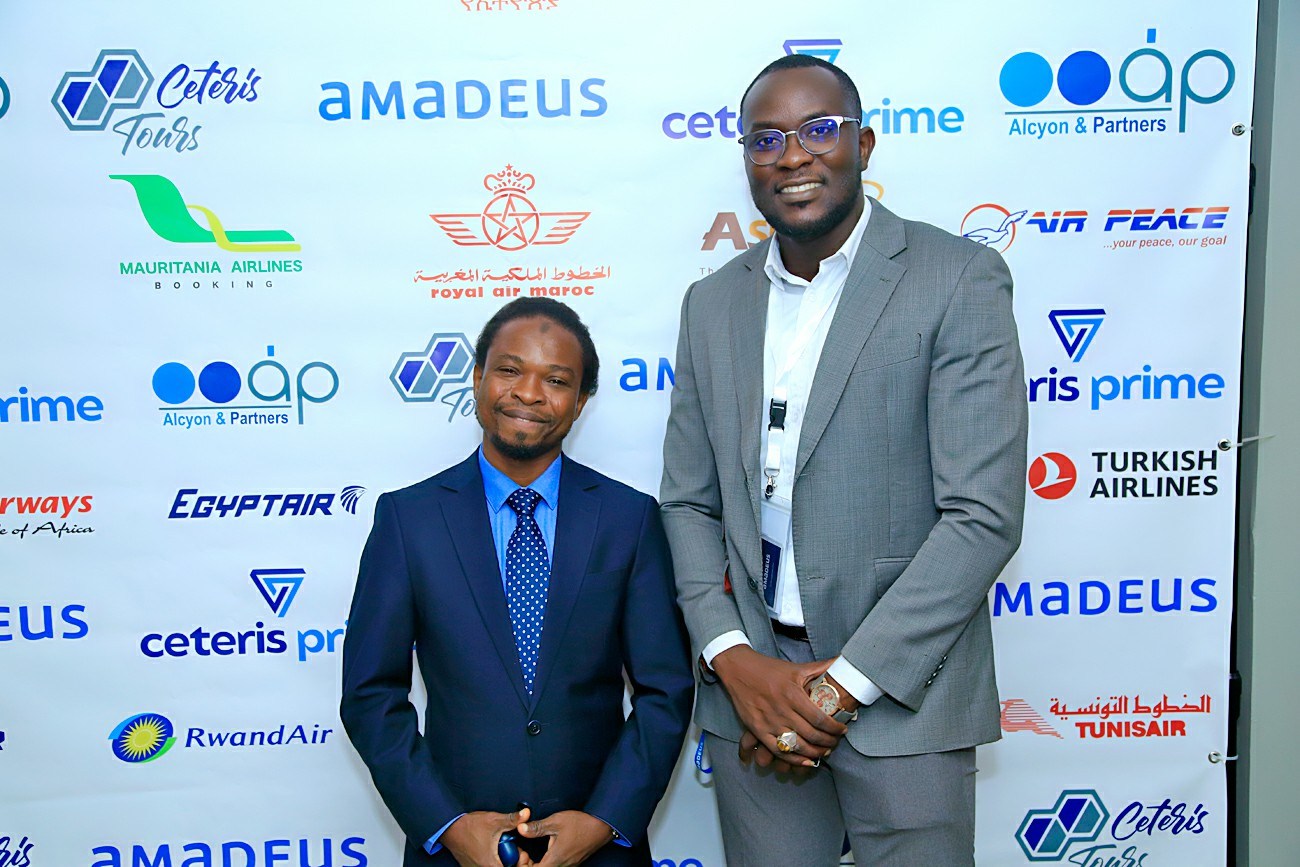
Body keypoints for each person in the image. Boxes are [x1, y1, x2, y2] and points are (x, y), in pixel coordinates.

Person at [660, 54, 1027, 866]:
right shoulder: (711, 303)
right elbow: (687, 502)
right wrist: (734, 659)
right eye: (766, 139)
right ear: (747, 160)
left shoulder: (957, 278)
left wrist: (842, 684)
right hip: (754, 695)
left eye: (818, 130)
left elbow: (983, 516)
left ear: (863, 144)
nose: (793, 155)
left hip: (904, 691)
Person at [343, 297, 694, 867]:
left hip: (598, 849)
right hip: (456, 848)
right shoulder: (409, 520)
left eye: (556, 380)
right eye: (509, 370)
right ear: (477, 378)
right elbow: (370, 695)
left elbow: (666, 691)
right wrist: (448, 825)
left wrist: (603, 821)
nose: (529, 393)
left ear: (580, 402)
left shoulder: (628, 519)